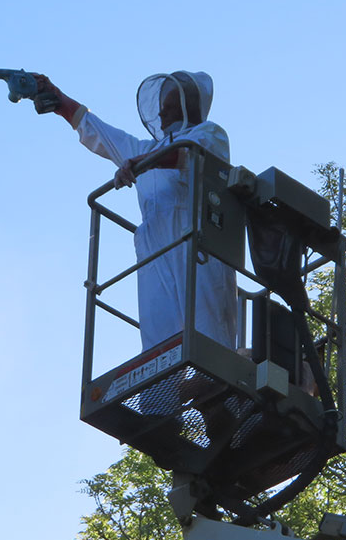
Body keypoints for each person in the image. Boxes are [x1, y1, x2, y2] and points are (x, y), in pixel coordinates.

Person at [35, 71, 237, 352]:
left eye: (168, 107)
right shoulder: (146, 149)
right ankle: (160, 391)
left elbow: (187, 154)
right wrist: (58, 100)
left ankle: (214, 384)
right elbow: (101, 134)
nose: (161, 114)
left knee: (207, 326)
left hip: (197, 242)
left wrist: (141, 162)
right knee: (158, 334)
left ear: (186, 105)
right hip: (154, 248)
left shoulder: (210, 133)